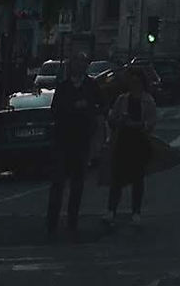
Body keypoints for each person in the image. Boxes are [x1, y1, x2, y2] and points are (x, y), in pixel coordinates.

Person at [46, 52, 103, 237]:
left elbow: (102, 105)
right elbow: (55, 110)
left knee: (77, 184)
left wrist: (91, 114)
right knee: (58, 183)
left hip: (82, 139)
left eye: (82, 63)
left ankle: (72, 220)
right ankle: (52, 222)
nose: (79, 66)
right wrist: (73, 108)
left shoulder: (92, 86)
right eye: (76, 63)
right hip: (63, 139)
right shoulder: (63, 87)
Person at [104, 66, 157, 228]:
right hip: (123, 140)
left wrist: (140, 124)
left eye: (137, 81)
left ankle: (136, 211)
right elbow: (112, 119)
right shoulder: (122, 99)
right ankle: (111, 210)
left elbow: (151, 121)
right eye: (132, 81)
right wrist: (120, 121)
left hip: (139, 140)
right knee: (117, 178)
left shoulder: (148, 100)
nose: (134, 85)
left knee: (137, 178)